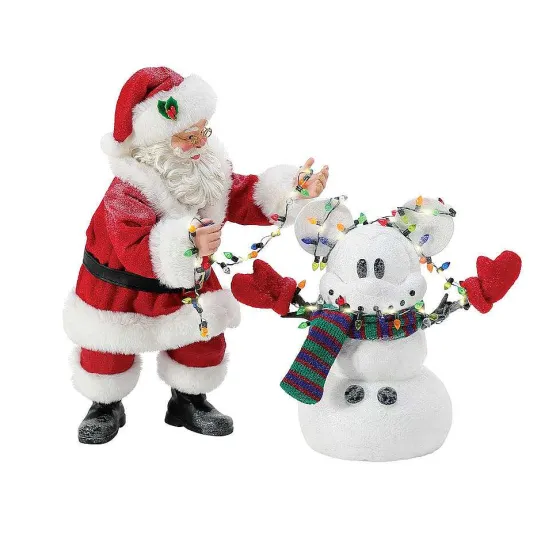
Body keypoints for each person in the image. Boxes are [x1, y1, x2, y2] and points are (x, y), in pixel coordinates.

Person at [63, 67, 329, 444]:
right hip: (121, 287)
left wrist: (292, 191)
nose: (201, 142)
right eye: (190, 136)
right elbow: (133, 249)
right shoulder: (126, 192)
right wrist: (189, 243)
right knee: (107, 354)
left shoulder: (203, 168)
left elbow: (240, 195)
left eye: (204, 130)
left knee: (202, 343)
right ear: (157, 141)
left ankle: (188, 401)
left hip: (187, 280)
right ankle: (105, 405)